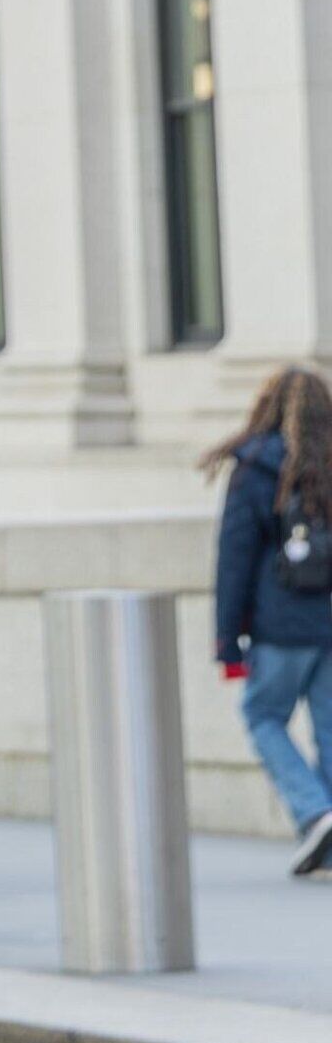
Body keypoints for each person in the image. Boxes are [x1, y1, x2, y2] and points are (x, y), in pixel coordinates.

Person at [207, 363, 332, 876]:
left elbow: (234, 558)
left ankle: (315, 811)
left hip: (280, 627)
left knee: (263, 716)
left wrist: (227, 641)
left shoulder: (256, 466)